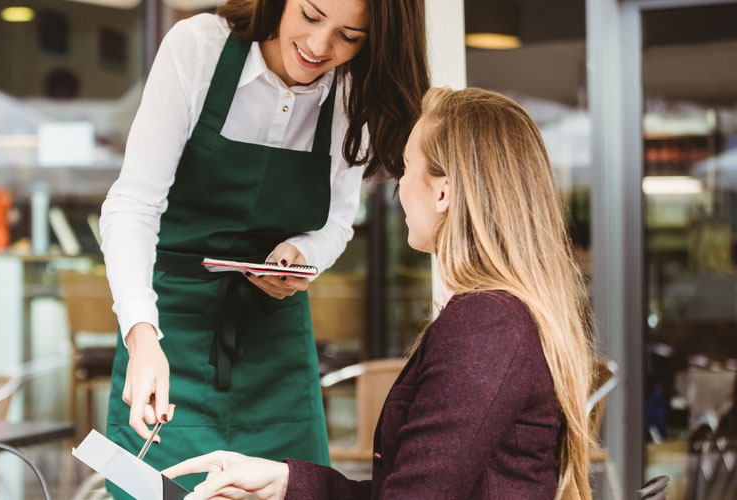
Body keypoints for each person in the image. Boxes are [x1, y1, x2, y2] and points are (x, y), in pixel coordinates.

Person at [164, 87, 597, 500]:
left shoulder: (487, 325)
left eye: (407, 168)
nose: (399, 186)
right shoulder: (497, 318)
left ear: (443, 192)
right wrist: (284, 483)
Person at [98, 0, 429, 494]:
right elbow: (132, 206)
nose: (320, 47)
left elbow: (337, 224)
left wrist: (300, 254)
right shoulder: (198, 49)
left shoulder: (353, 91)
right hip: (164, 335)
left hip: (275, 343)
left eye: (350, 36)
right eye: (312, 16)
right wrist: (141, 336)